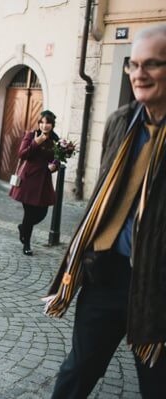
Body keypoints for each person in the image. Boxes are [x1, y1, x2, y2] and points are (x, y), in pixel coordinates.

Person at [45, 24, 166, 398]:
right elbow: (103, 197)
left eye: (153, 65)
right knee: (77, 372)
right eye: (133, 64)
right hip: (106, 272)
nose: (139, 74)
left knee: (156, 384)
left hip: (157, 284)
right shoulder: (120, 122)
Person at [6, 110, 61, 256]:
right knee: (29, 214)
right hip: (29, 180)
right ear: (38, 123)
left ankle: (23, 228)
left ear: (52, 124)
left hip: (44, 180)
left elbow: (57, 157)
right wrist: (36, 142)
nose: (44, 125)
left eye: (48, 122)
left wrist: (55, 165)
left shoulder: (55, 139)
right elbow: (22, 154)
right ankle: (27, 244)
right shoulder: (31, 135)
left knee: (42, 213)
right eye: (42, 122)